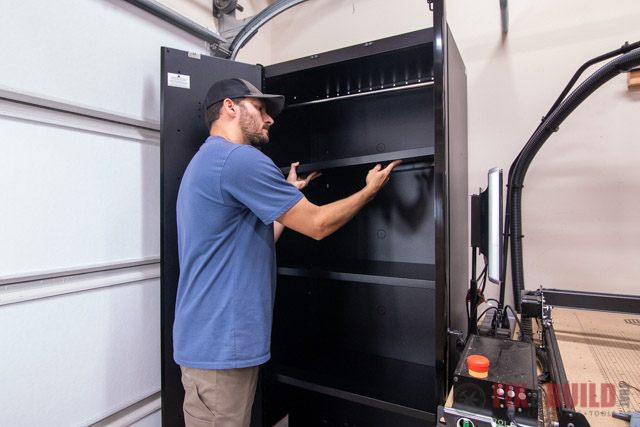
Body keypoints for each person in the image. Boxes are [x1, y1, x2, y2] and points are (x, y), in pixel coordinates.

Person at [174, 78, 401, 427]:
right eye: (261, 109)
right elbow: (318, 225)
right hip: (220, 349)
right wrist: (369, 191)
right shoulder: (240, 159)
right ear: (230, 107)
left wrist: (284, 197)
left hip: (213, 345)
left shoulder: (210, 159)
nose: (270, 119)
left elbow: (249, 240)